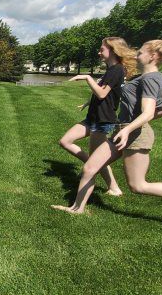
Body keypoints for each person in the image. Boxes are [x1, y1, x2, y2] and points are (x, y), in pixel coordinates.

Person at [52, 35, 162, 223]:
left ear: (152, 57)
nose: (136, 55)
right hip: (125, 131)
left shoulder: (151, 79)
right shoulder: (149, 77)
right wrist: (130, 126)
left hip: (133, 135)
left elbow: (149, 112)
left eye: (140, 52)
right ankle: (77, 209)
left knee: (138, 185)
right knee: (90, 168)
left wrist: (130, 128)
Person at [57, 37, 137, 197]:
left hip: (103, 120)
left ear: (113, 50)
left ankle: (113, 187)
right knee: (65, 141)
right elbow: (108, 94)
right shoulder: (112, 69)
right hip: (93, 117)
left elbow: (102, 94)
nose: (99, 52)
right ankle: (92, 167)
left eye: (102, 49)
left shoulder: (116, 70)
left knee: (97, 158)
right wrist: (88, 102)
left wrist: (87, 78)